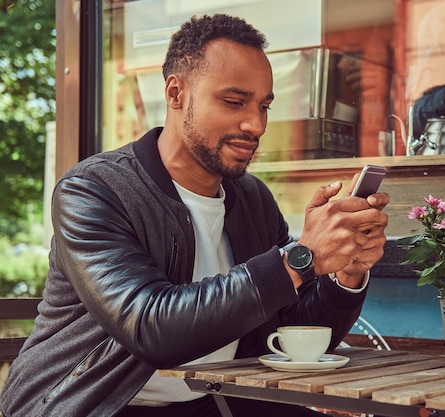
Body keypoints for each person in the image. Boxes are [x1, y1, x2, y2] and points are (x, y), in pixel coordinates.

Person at [0, 14, 389, 417]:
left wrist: (346, 274)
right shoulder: (93, 191)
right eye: (234, 102)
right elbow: (152, 328)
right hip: (98, 406)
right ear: (175, 93)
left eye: (264, 106)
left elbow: (296, 335)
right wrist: (299, 257)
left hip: (214, 401)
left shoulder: (252, 198)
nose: (255, 124)